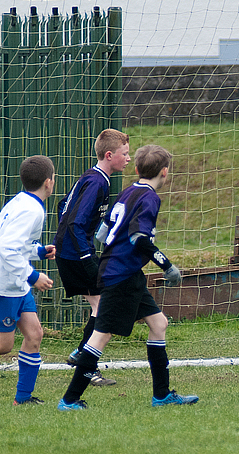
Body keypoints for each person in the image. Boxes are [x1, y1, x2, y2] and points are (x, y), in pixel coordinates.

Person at [58, 145, 198, 410]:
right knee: (100, 336)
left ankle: (162, 395)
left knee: (159, 324)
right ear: (165, 172)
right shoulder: (149, 198)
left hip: (127, 273)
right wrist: (166, 266)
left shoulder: (129, 191)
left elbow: (104, 230)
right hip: (120, 276)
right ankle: (69, 400)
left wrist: (113, 247)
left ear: (136, 169)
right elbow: (139, 237)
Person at [55, 129, 131, 387]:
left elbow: (62, 206)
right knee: (105, 307)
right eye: (125, 154)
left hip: (72, 251)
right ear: (109, 155)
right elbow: (75, 222)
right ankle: (86, 363)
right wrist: (87, 255)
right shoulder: (97, 182)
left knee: (101, 305)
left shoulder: (94, 177)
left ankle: (82, 355)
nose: (128, 159)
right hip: (75, 255)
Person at [0, 155, 57, 406]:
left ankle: (22, 399)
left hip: (17, 284)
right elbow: (7, 248)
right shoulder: (31, 209)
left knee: (34, 334)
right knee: (4, 346)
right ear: (48, 182)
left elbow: (18, 246)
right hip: (7, 284)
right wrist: (33, 276)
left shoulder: (23, 201)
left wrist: (39, 251)